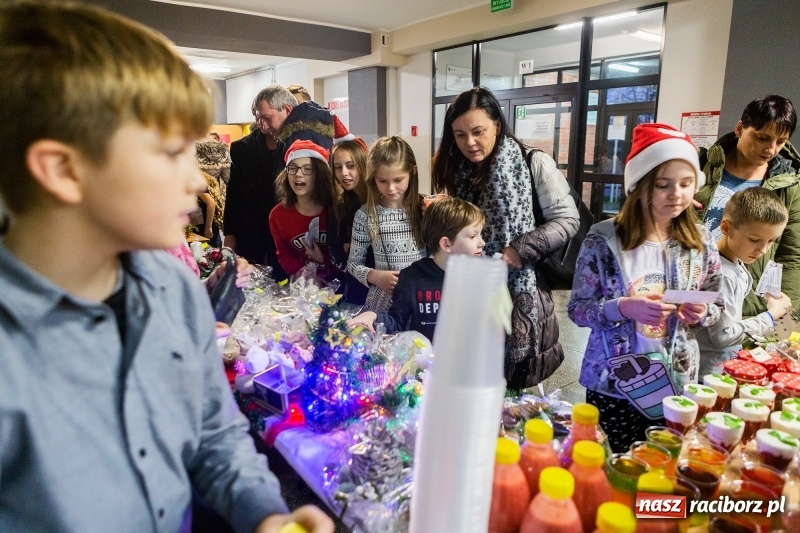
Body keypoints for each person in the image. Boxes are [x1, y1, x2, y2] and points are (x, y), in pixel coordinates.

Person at [0, 3, 333, 532]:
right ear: (64, 170)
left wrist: (265, 514)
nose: (199, 182)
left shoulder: (173, 287)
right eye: (170, 152)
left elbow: (212, 433)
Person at [568, 123, 724, 453]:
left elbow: (717, 304)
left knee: (665, 467)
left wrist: (702, 311)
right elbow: (578, 308)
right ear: (639, 187)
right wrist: (624, 307)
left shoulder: (701, 242)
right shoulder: (604, 240)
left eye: (686, 184)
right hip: (614, 381)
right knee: (617, 463)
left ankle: (653, 509)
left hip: (677, 380)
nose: (677, 194)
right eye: (663, 185)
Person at [431, 86, 580, 390]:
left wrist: (518, 250)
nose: (470, 142)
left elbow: (568, 220)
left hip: (520, 284)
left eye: (478, 131)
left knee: (514, 386)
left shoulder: (532, 162)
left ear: (497, 125)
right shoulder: (457, 169)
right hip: (470, 285)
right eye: (460, 135)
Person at [695, 95, 800, 317]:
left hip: (746, 302)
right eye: (762, 138)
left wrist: (788, 316)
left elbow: (791, 254)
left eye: (780, 142)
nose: (771, 149)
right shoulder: (700, 165)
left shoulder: (789, 183)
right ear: (740, 128)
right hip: (691, 290)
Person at [348, 197, 485, 341]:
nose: (482, 242)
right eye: (473, 236)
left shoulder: (480, 278)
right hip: (428, 361)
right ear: (446, 244)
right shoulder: (412, 278)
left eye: (480, 234)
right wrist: (373, 316)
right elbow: (396, 322)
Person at [696, 188, 791, 376]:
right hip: (708, 374)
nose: (763, 250)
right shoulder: (720, 274)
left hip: (725, 364)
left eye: (771, 241)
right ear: (725, 228)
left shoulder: (736, 262)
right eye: (754, 239)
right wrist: (771, 316)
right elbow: (723, 336)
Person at [347, 136, 426, 312]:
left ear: (412, 172)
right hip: (383, 303)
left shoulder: (425, 209)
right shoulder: (365, 214)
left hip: (420, 301)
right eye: (382, 181)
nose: (391, 188)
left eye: (398, 180)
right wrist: (374, 276)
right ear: (373, 178)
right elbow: (353, 264)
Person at [224, 107, 287, 280]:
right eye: (258, 118)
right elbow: (233, 192)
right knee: (251, 282)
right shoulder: (241, 148)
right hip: (250, 230)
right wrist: (229, 233)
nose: (262, 124)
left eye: (267, 118)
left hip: (285, 231)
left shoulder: (296, 145)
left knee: (285, 282)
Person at [269, 140, 339, 282]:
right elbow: (283, 253)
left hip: (341, 285)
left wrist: (323, 261)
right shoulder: (278, 216)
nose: (298, 174)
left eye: (307, 169)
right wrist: (305, 275)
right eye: (293, 168)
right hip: (304, 287)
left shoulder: (336, 209)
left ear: (319, 174)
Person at [252, 84, 353, 157]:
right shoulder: (310, 130)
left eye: (268, 118)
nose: (264, 128)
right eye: (259, 119)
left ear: (287, 109)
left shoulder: (300, 139)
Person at [329, 138, 370, 304]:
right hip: (354, 287)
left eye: (350, 166)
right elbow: (335, 247)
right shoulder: (339, 204)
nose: (344, 173)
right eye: (338, 167)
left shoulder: (378, 202)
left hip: (382, 285)